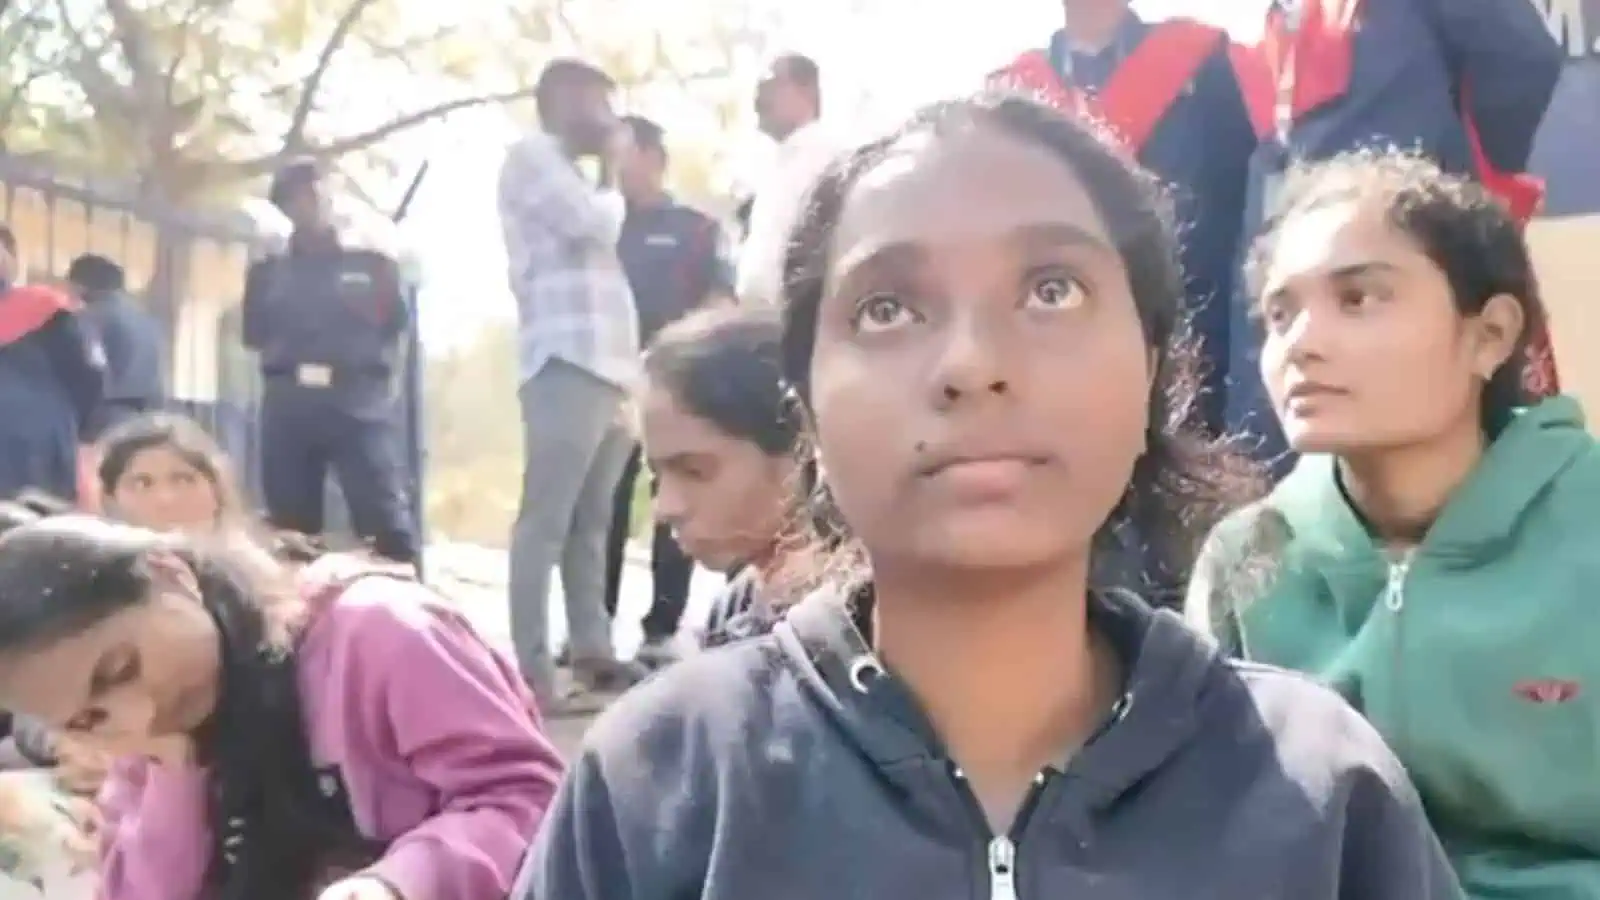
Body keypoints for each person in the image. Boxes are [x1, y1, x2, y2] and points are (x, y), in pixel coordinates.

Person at [515, 92, 1458, 899]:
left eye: (1052, 290)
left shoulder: (1321, 789)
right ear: (805, 408)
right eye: (887, 309)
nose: (971, 365)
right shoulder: (661, 781)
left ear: (1155, 374)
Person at [1186, 151, 1600, 899]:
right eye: (1280, 314)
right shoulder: (1251, 557)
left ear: (1490, 335)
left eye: (1360, 299)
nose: (1302, 344)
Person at [0, 514, 562, 900]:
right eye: (85, 721)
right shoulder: (142, 745)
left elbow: (529, 798)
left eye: (122, 670)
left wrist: (400, 883)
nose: (138, 714)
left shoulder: (376, 634)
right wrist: (178, 770)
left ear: (169, 574)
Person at [1222, 0, 1564, 470]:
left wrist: (1459, 198)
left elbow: (1523, 56)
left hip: (1410, 259)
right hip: (1298, 278)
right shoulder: (1266, 24)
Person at [989, 0, 1254, 435]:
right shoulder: (1011, 97)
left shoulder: (1202, 62)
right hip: (1058, 353)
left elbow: (1245, 202)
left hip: (1200, 352)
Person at [498, 59, 645, 712]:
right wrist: (613, 168)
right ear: (559, 98)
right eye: (597, 101)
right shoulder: (532, 158)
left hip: (611, 367)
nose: (608, 118)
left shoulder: (577, 175)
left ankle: (593, 654)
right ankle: (534, 677)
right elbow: (593, 224)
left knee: (593, 524)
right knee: (547, 522)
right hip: (566, 361)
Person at [602, 114, 737, 666]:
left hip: (675, 384)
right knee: (603, 507)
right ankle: (593, 629)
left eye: (625, 151)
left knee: (674, 500)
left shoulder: (696, 228)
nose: (615, 164)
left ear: (655, 158)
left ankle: (661, 629)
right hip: (609, 380)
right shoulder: (603, 226)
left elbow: (720, 301)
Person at [241, 161, 419, 566]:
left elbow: (395, 325)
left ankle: (407, 618)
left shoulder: (371, 263)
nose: (308, 204)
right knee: (290, 531)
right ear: (284, 208)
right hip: (289, 402)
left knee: (384, 522)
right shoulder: (268, 271)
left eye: (315, 193)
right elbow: (254, 334)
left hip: (356, 400)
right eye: (296, 198)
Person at [633, 307, 803, 650]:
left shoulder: (867, 632)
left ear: (800, 450)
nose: (664, 508)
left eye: (694, 471)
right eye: (657, 474)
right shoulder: (738, 608)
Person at [0, 225, 105, 506]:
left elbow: (89, 376)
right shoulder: (51, 308)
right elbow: (90, 374)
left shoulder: (48, 308)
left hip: (37, 441)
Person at [736, 53, 842, 307]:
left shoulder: (828, 159)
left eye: (769, 85)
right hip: (761, 321)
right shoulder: (775, 166)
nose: (758, 99)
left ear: (805, 89)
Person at [66, 254, 165, 435]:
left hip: (105, 420)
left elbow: (87, 371)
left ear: (80, 286)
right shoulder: (146, 319)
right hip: (149, 419)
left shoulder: (91, 317)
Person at [98, 413, 243, 536]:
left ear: (217, 490)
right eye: (141, 484)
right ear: (110, 498)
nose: (165, 499)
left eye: (183, 481)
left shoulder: (253, 565)